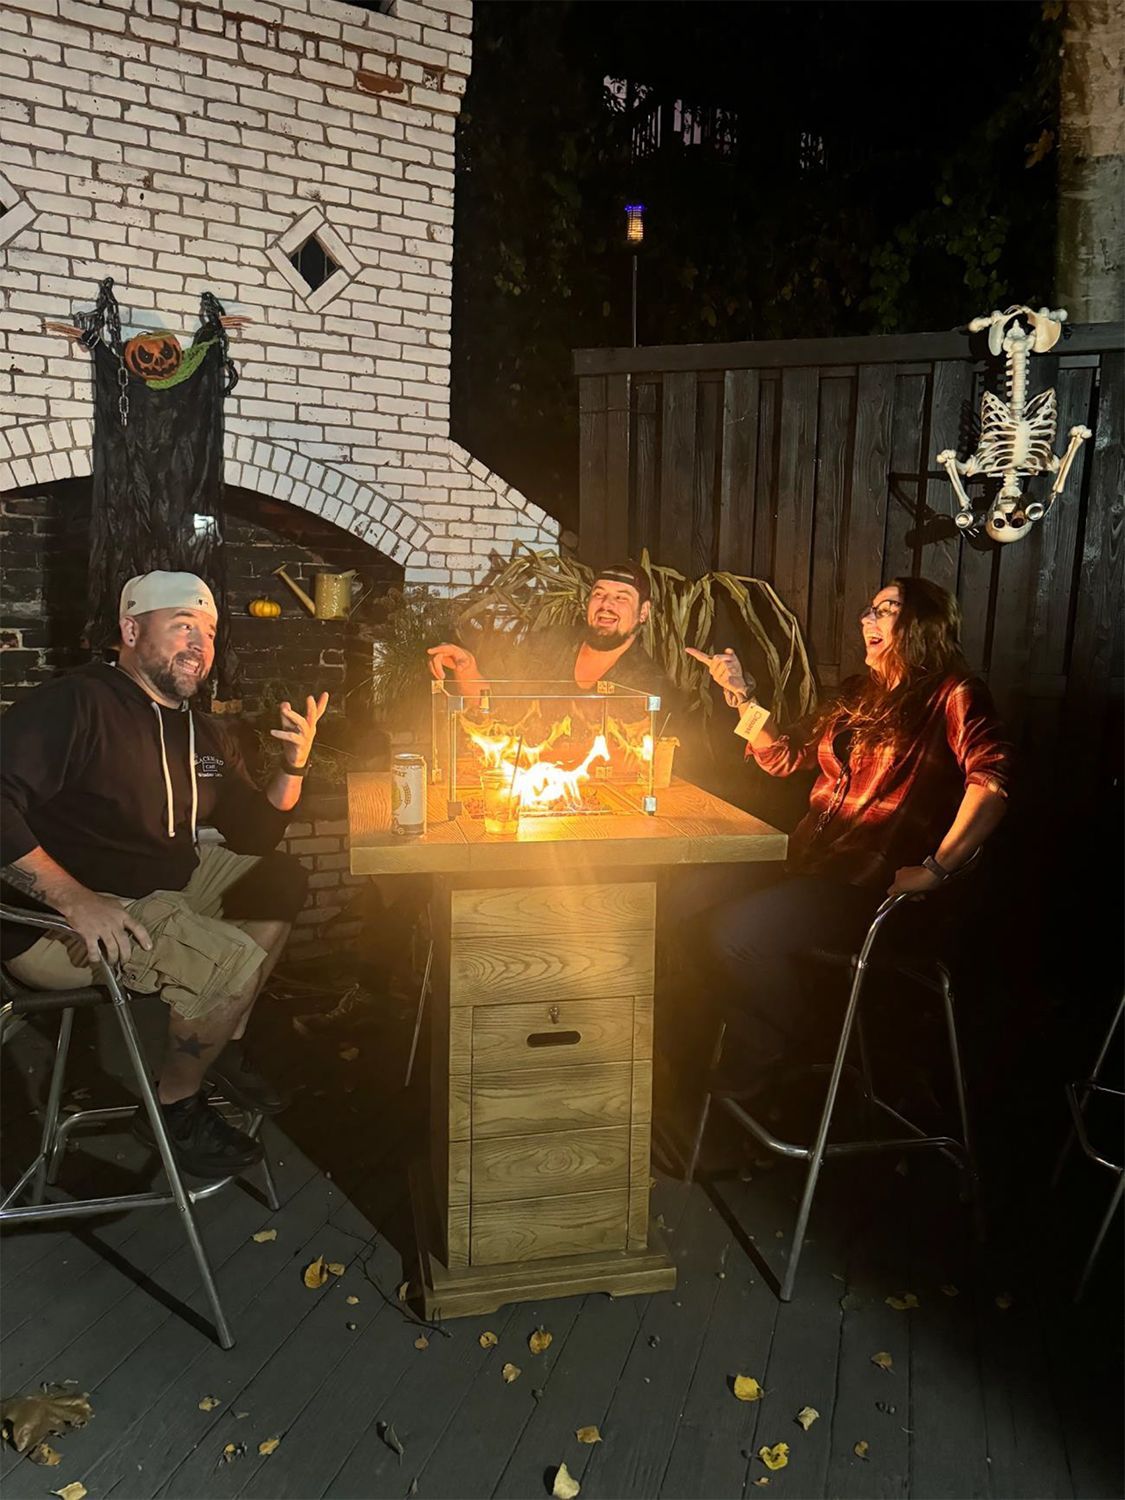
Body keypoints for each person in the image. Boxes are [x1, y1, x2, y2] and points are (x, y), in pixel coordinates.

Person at [0, 571, 328, 1178]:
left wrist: (293, 765)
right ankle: (172, 1107)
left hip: (163, 891)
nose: (200, 643)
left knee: (278, 877)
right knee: (230, 960)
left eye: (207, 631)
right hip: (60, 921)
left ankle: (220, 1040)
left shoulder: (203, 731)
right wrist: (74, 898)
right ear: (130, 631)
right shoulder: (79, 702)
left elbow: (255, 834)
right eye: (182, 626)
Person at [687, 576, 1013, 1092]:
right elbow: (785, 756)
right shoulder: (858, 696)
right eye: (869, 609)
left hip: (871, 890)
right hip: (812, 867)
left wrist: (936, 868)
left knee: (734, 937)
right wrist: (741, 696)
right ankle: (746, 1074)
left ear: (923, 624)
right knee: (687, 908)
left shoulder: (953, 693)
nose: (868, 619)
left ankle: (793, 1046)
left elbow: (991, 781)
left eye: (886, 609)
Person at [427, 562, 674, 701]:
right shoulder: (549, 643)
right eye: (599, 594)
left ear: (643, 612)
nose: (606, 605)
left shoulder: (646, 683)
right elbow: (494, 702)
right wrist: (467, 668)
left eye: (621, 598)